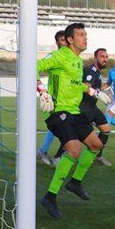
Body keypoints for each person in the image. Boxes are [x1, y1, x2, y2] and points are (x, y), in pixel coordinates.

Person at [36, 23, 109, 219]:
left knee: (96, 145)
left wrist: (94, 91)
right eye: (81, 35)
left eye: (86, 34)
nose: (85, 38)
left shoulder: (77, 62)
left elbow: (77, 84)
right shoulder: (60, 55)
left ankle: (75, 183)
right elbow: (32, 66)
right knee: (75, 150)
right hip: (58, 111)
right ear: (70, 39)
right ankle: (50, 197)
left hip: (75, 112)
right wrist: (41, 90)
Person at [37, 29, 68, 166]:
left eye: (66, 40)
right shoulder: (54, 56)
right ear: (57, 43)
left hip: (70, 100)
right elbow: (33, 67)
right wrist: (41, 89)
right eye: (62, 40)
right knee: (66, 129)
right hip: (56, 100)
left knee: (58, 129)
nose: (65, 43)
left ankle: (44, 151)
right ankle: (58, 156)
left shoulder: (73, 58)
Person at [81, 48, 114, 166]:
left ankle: (98, 156)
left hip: (92, 107)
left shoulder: (97, 72)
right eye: (102, 56)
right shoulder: (91, 71)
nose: (105, 59)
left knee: (106, 130)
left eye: (106, 57)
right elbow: (85, 86)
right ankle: (59, 156)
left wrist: (103, 93)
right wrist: (98, 94)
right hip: (83, 108)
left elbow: (95, 87)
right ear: (95, 58)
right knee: (76, 137)